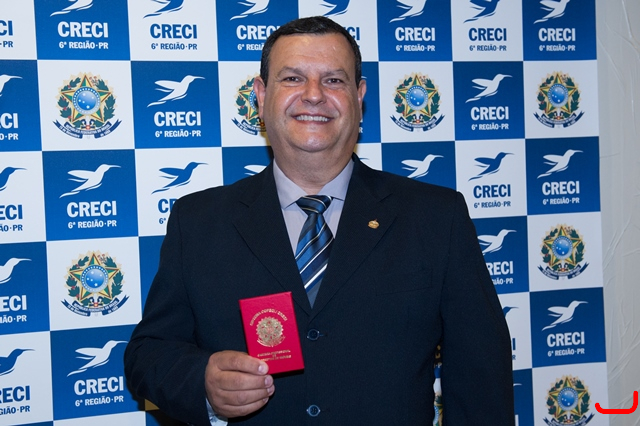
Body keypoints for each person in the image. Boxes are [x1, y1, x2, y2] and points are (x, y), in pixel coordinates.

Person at [124, 16, 515, 425]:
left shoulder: (436, 217)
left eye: (333, 80)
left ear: (359, 97)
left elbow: (481, 378)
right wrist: (202, 383)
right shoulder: (198, 221)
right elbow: (148, 354)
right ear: (261, 95)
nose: (313, 95)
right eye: (293, 78)